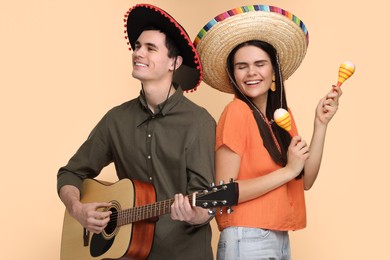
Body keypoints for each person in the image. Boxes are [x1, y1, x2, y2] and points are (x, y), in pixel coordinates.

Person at [57, 3, 215, 260]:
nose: (138, 53)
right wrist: (77, 209)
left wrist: (194, 213)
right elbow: (71, 173)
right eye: (137, 46)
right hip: (128, 255)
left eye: (150, 48)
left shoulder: (199, 123)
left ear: (174, 62)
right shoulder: (116, 119)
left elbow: (205, 205)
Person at [194, 5, 342, 260]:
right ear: (233, 75)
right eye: (242, 66)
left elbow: (305, 180)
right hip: (246, 236)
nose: (251, 72)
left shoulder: (281, 116)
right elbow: (224, 192)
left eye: (259, 64)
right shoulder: (236, 112)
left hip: (278, 236)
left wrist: (321, 123)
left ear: (273, 71)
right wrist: (288, 170)